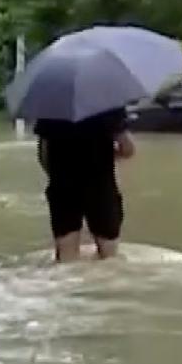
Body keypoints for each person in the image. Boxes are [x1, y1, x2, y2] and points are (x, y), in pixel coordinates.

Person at [35, 106, 135, 261]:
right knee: (109, 258)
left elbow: (43, 155)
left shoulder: (51, 109)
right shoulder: (108, 106)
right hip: (101, 186)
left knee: (66, 258)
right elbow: (128, 149)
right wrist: (107, 155)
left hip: (63, 186)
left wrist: (58, 175)